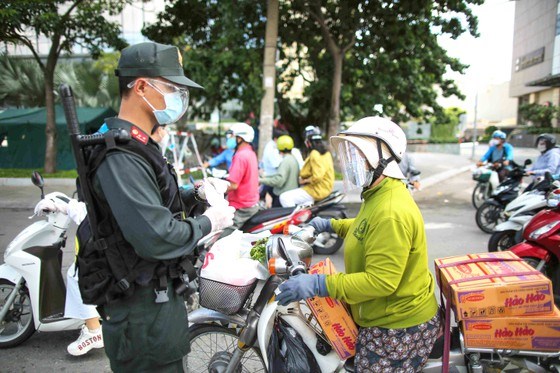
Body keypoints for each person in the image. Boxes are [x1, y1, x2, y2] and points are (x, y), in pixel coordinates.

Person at [82, 41, 235, 372]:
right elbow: (156, 235)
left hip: (156, 306)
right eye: (171, 88)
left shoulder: (136, 146)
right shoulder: (120, 156)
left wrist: (194, 194)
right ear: (140, 87)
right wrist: (211, 221)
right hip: (141, 314)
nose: (178, 97)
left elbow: (154, 200)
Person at [276, 117, 440, 372]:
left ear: (382, 158)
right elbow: (365, 226)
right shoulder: (380, 193)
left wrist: (319, 285)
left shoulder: (390, 210)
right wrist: (330, 225)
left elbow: (381, 281)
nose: (351, 164)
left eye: (358, 155)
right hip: (379, 313)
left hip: (397, 326)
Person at [220, 122, 260, 238]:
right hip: (250, 201)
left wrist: (214, 189)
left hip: (242, 206)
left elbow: (233, 185)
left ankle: (204, 255)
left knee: (219, 236)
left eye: (232, 136)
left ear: (240, 138)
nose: (230, 139)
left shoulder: (241, 156)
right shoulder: (250, 153)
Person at [279, 125, 334, 207]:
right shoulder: (326, 153)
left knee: (284, 197)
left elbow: (317, 176)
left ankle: (292, 219)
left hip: (317, 189)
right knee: (303, 206)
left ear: (308, 142)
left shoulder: (314, 154)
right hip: (325, 188)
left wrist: (304, 181)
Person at [259, 135, 300, 207]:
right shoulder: (292, 158)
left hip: (282, 195)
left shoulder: (286, 161)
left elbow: (279, 181)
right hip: (290, 192)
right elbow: (279, 175)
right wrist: (265, 177)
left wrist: (260, 180)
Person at [259, 128, 286, 206]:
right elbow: (279, 165)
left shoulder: (271, 145)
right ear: (276, 139)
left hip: (270, 176)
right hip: (272, 178)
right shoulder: (272, 149)